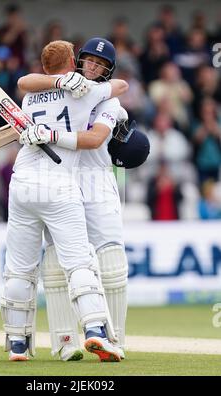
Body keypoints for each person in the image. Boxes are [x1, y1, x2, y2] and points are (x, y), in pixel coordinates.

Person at [19, 37, 149, 361]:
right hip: (60, 180)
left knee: (111, 262)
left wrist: (49, 134)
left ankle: (113, 337)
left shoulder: (109, 101)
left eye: (100, 65)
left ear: (107, 71)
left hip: (97, 182)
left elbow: (94, 138)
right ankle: (65, 341)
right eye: (89, 60)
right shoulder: (58, 90)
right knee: (55, 262)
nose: (93, 67)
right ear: (78, 61)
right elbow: (26, 82)